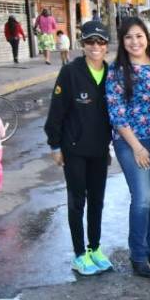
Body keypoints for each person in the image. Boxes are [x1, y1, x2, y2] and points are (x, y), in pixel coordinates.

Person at [44, 19, 114, 276]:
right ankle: (79, 254)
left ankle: (94, 248)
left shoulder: (110, 73)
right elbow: (56, 112)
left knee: (97, 201)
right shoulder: (70, 72)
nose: (95, 46)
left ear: (107, 45)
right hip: (73, 149)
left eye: (100, 41)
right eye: (90, 41)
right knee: (77, 202)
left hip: (99, 151)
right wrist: (54, 145)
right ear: (82, 44)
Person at [107, 17, 150, 278]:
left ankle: (149, 246)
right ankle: (137, 255)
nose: (135, 42)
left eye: (139, 36)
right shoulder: (117, 71)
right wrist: (136, 147)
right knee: (142, 199)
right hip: (130, 142)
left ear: (148, 37)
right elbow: (117, 113)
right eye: (128, 37)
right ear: (123, 42)